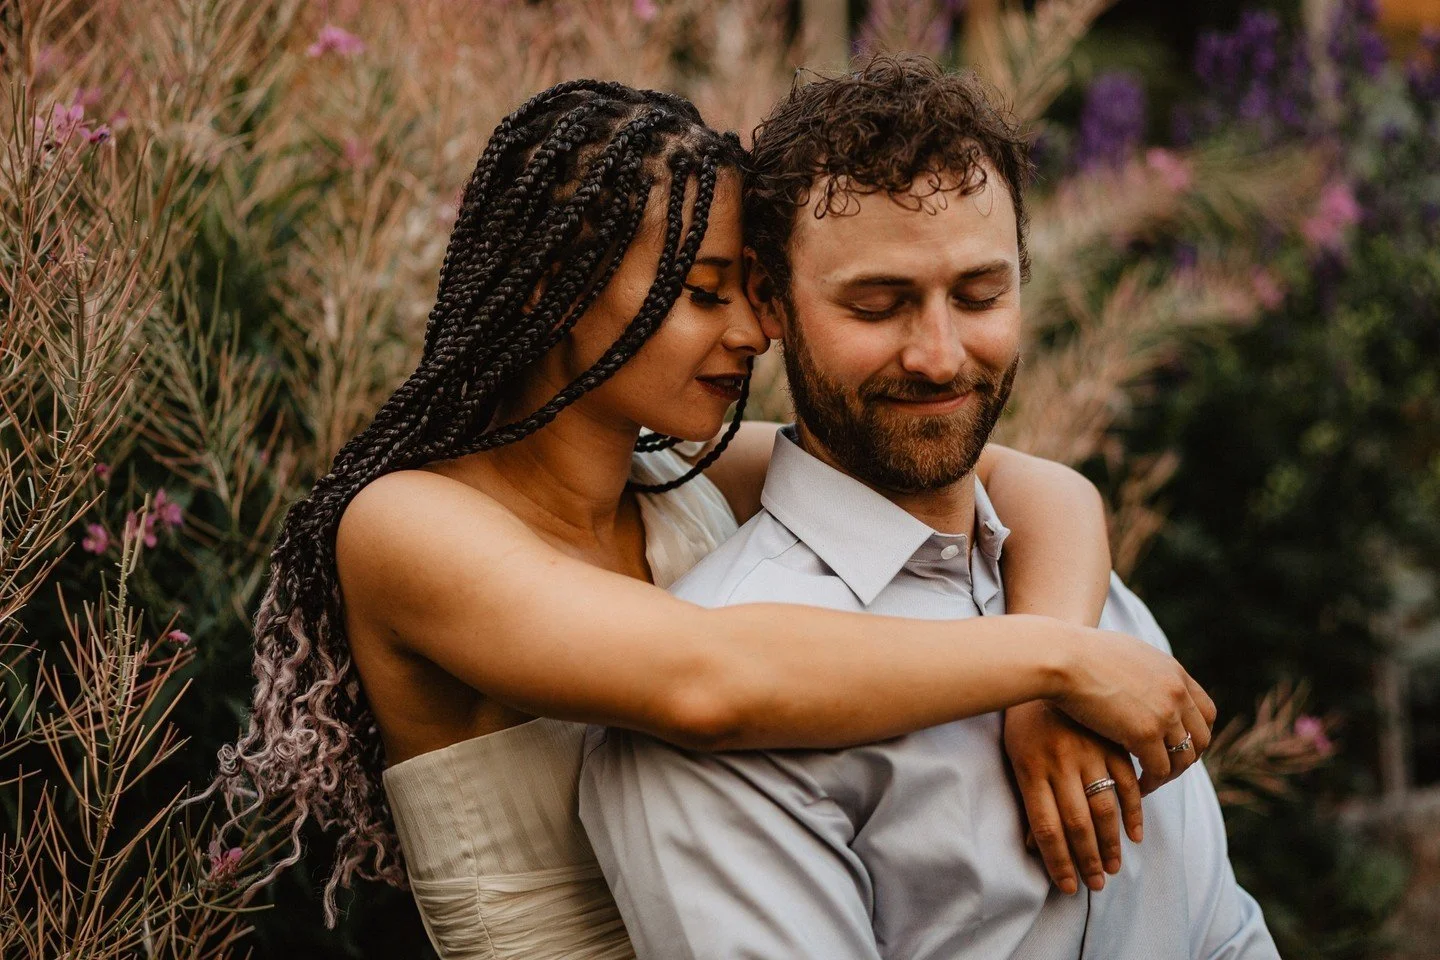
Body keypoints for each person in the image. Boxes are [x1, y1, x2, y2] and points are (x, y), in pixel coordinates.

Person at [211, 79, 1214, 960]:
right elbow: (707, 683)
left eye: (749, 290)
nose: (751, 330)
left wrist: (1049, 692)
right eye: (702, 294)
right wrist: (1054, 662)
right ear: (562, 292)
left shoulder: (669, 473)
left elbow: (1042, 488)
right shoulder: (409, 528)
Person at [577, 57, 1277, 960]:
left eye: (981, 294)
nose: (941, 356)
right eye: (878, 305)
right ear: (770, 300)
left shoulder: (1095, 609)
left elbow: (1224, 938)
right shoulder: (700, 739)